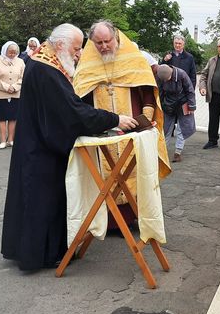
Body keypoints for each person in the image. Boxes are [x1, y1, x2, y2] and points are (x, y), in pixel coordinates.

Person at [1, 23, 138, 271]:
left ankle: (34, 249)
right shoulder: (47, 70)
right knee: (43, 201)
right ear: (61, 45)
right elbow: (72, 113)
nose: (78, 54)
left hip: (35, 144)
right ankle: (41, 255)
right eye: (76, 49)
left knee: (36, 199)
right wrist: (114, 119)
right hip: (41, 151)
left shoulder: (42, 60)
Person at [73, 20, 171, 229]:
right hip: (101, 132)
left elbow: (147, 92)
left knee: (135, 172)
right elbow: (80, 97)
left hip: (132, 129)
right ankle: (108, 221)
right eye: (98, 43)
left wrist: (145, 120)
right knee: (102, 172)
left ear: (115, 37)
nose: (103, 46)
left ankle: (134, 215)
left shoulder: (134, 59)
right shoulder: (86, 65)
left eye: (107, 41)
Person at [156, 64, 196, 162]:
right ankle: (162, 153)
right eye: (164, 80)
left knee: (181, 129)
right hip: (168, 105)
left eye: (167, 79)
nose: (166, 81)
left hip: (183, 104)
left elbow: (190, 91)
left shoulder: (182, 74)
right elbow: (160, 92)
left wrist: (191, 106)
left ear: (171, 73)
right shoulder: (160, 77)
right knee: (166, 129)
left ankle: (178, 152)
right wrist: (159, 106)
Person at [0, 41, 25, 149]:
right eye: (10, 52)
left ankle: (11, 139)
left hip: (16, 93)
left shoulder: (20, 61)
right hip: (0, 94)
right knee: (2, 118)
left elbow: (23, 77)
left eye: (15, 52)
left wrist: (15, 87)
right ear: (5, 51)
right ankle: (2, 141)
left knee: (13, 118)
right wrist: (6, 87)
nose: (12, 54)